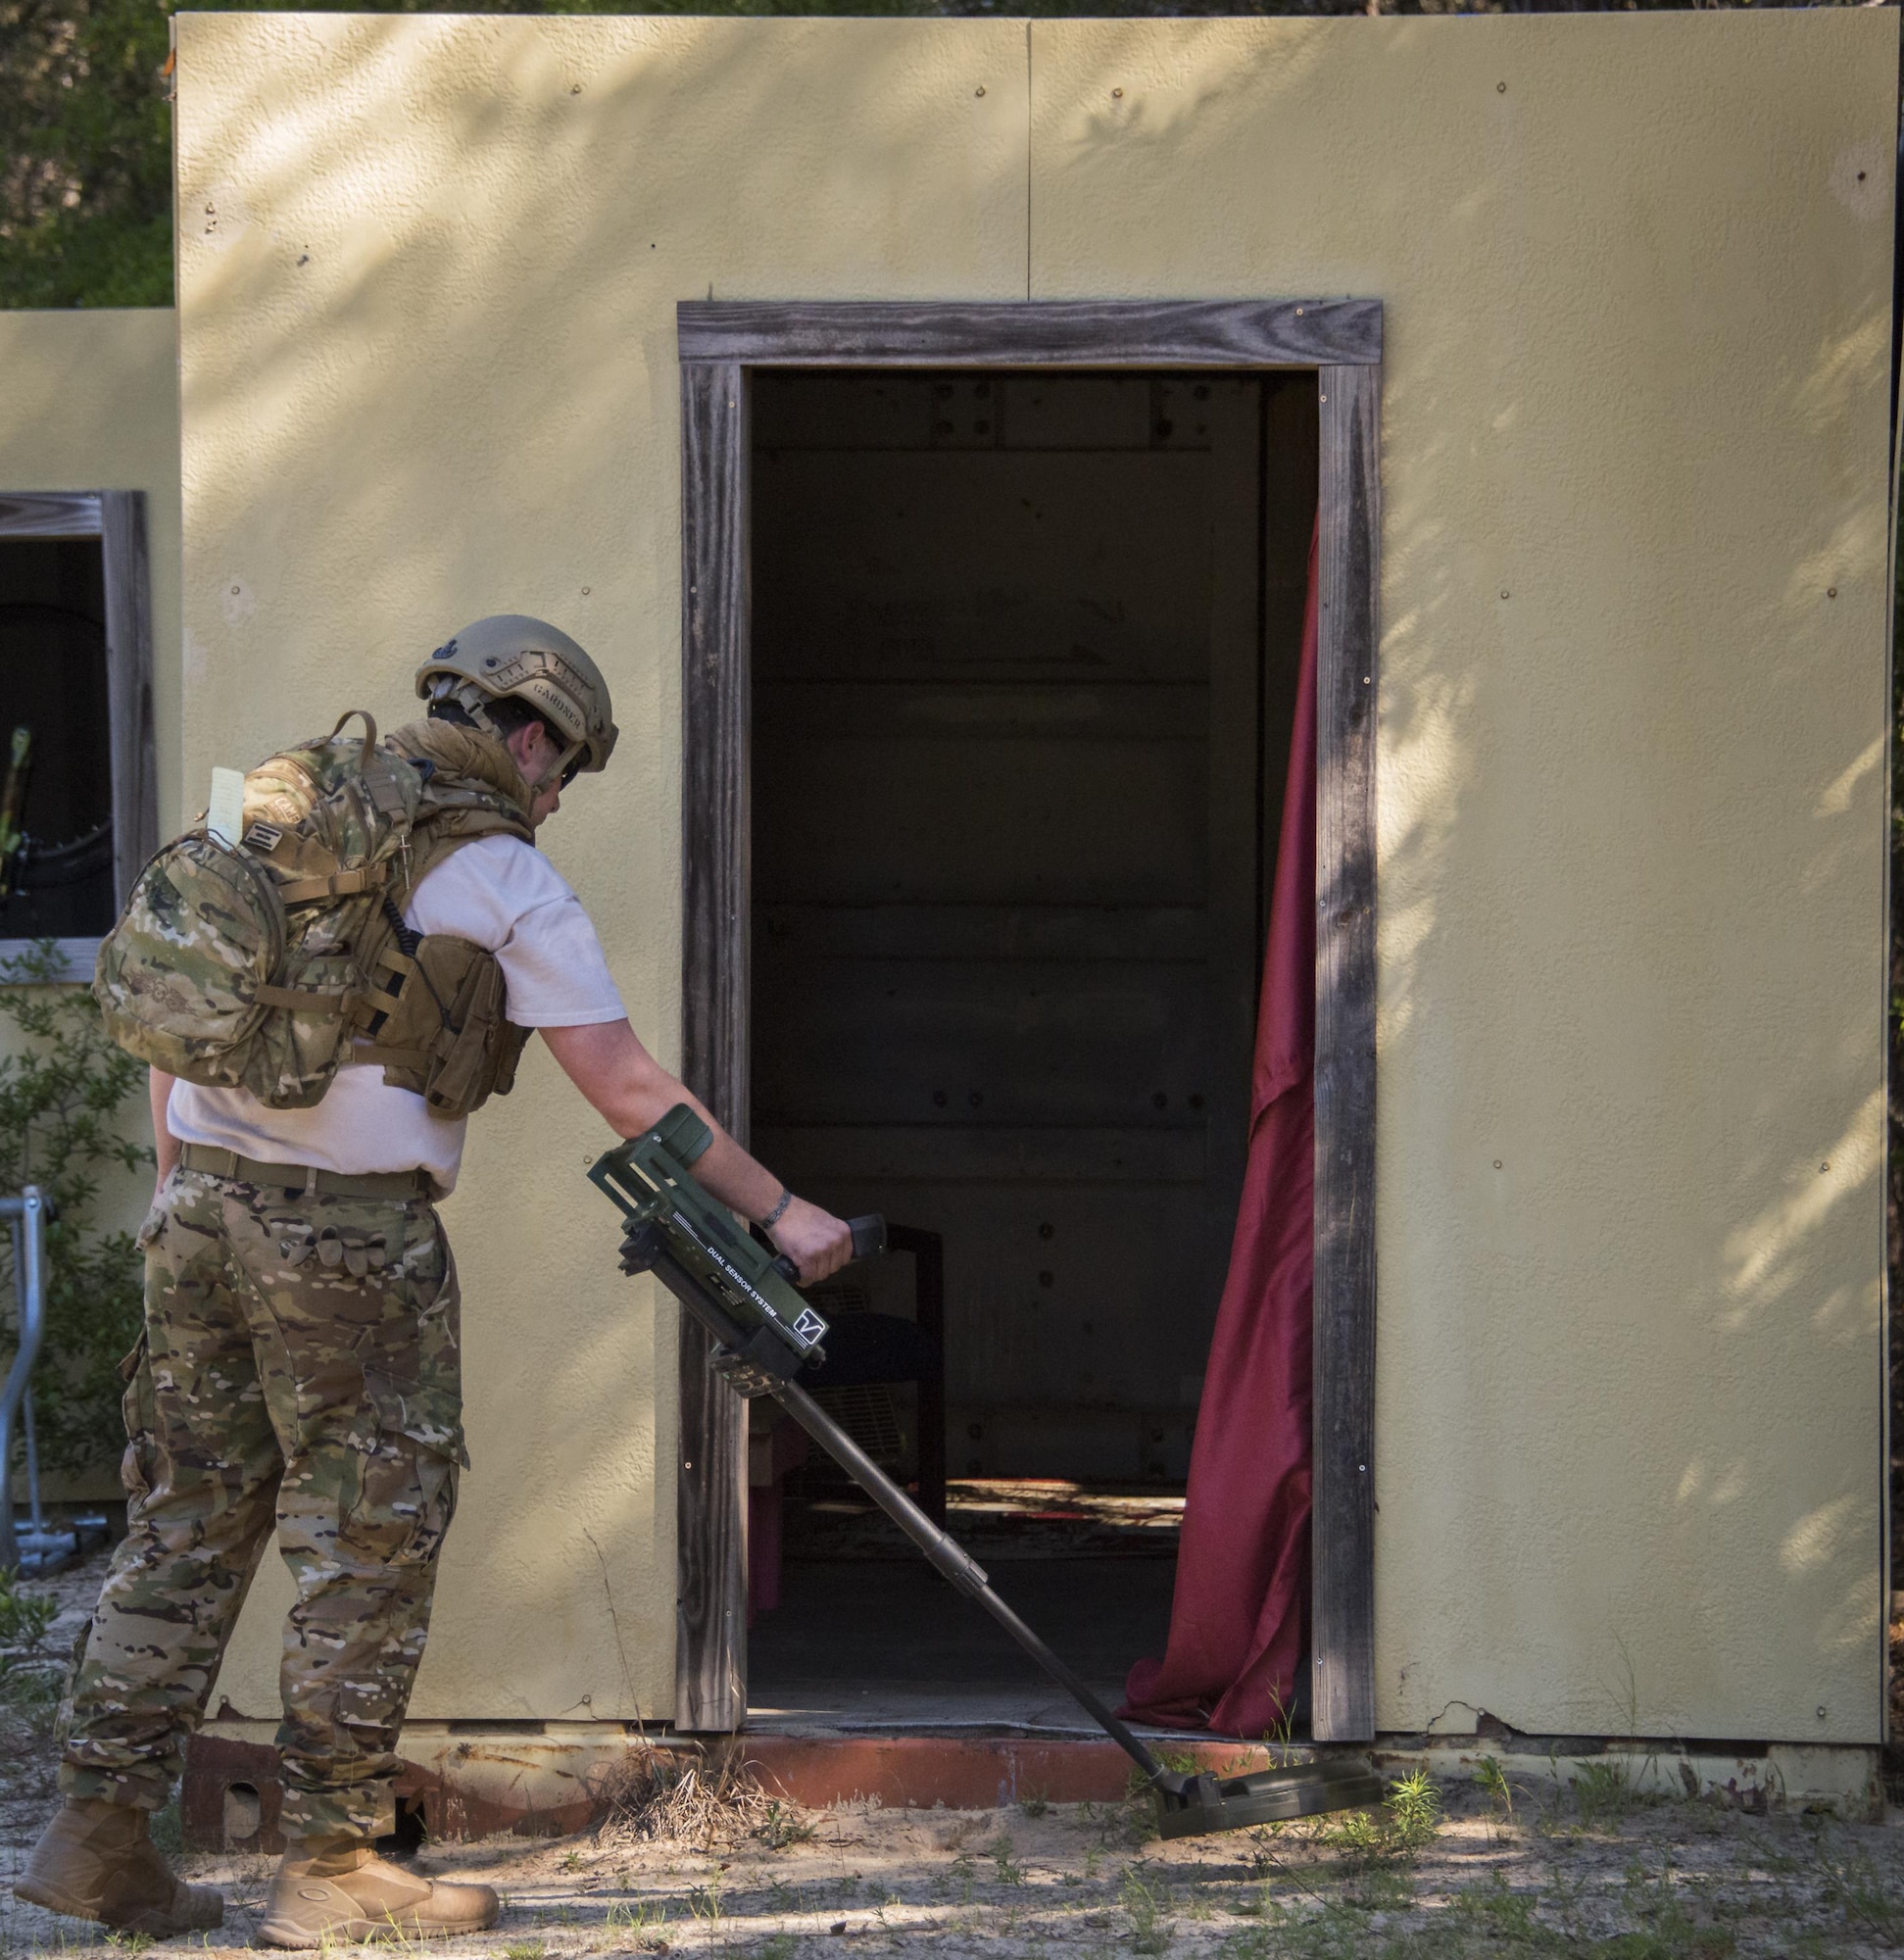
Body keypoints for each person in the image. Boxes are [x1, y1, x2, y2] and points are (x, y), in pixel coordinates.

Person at [13, 617, 851, 1946]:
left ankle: (96, 1833)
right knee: (368, 1545)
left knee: (183, 1531)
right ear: (526, 739)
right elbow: (630, 1090)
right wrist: (783, 1210)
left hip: (201, 1225)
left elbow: (171, 1015)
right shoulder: (503, 874)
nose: (558, 795)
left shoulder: (265, 803)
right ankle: (334, 1865)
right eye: (562, 766)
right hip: (350, 1249)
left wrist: (178, 1178)